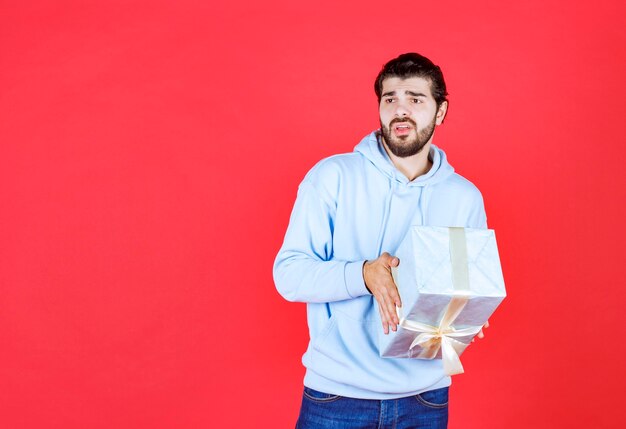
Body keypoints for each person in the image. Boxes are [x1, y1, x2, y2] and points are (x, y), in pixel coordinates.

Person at [273, 53, 489, 428]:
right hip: (337, 394)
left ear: (440, 112)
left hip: (426, 397)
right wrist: (364, 275)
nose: (400, 111)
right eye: (390, 99)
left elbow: (463, 290)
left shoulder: (464, 197)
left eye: (415, 99)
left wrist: (465, 315)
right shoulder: (332, 176)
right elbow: (288, 275)